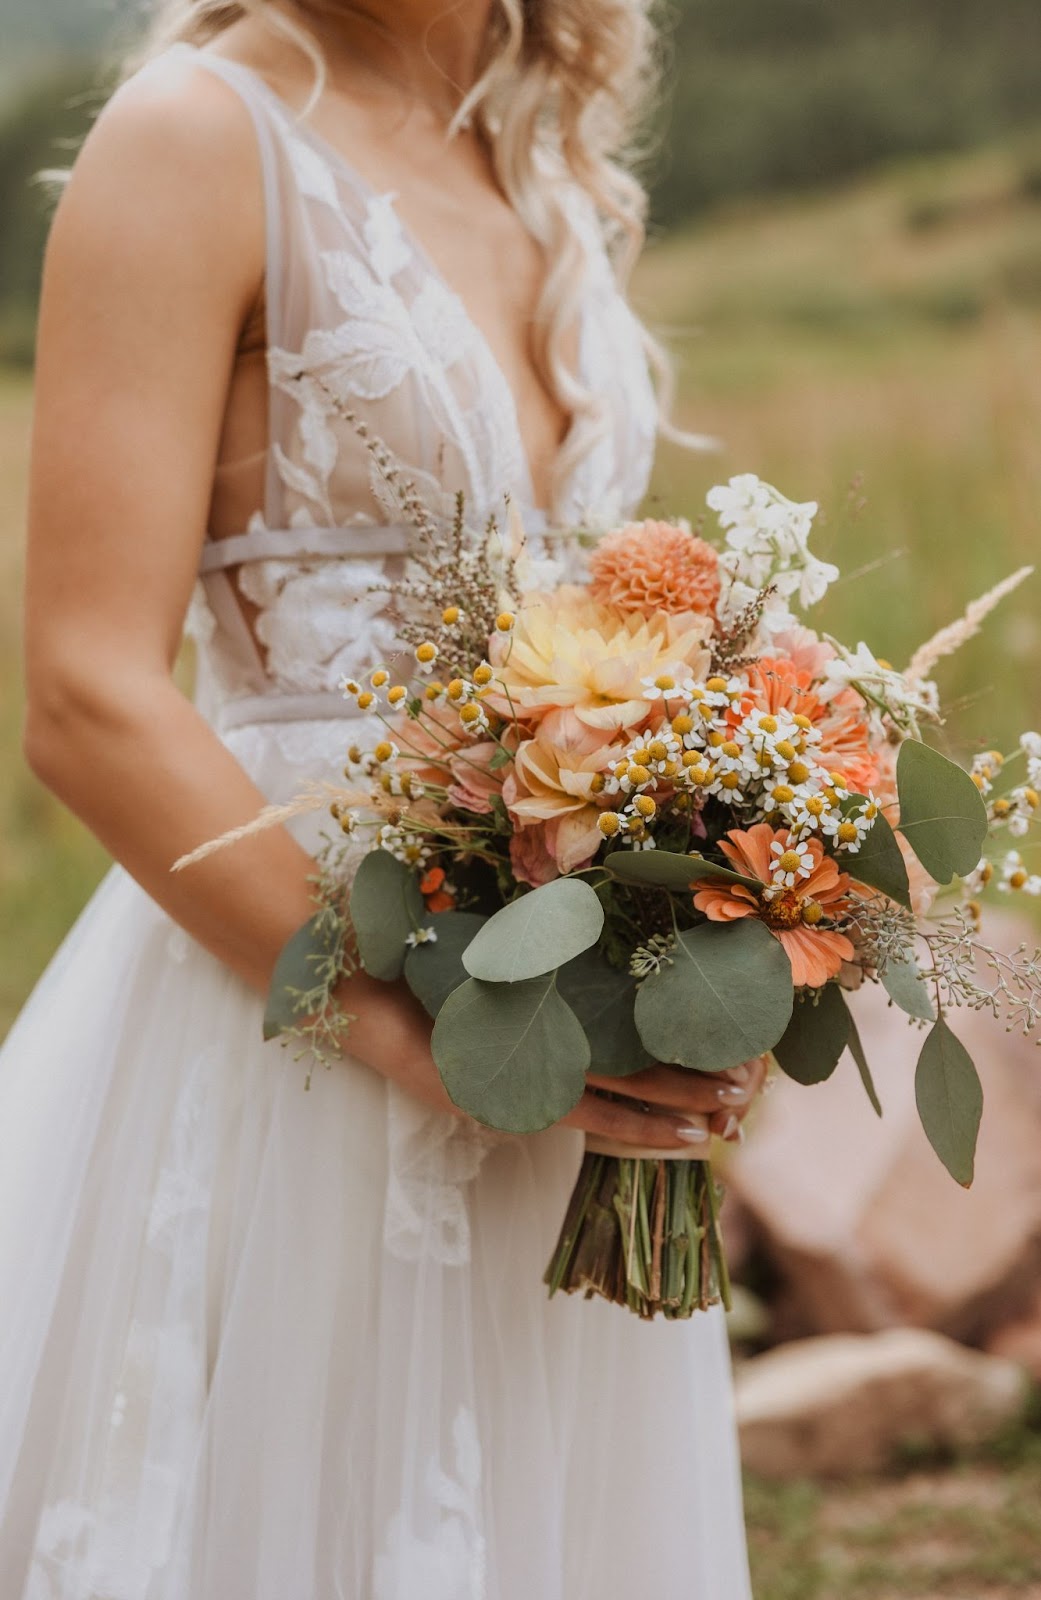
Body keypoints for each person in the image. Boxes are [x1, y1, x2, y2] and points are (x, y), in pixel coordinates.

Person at [0, 3, 762, 1594]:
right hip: (301, 997)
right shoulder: (197, 138)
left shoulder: (534, 156)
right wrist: (405, 1028)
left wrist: (717, 892)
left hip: (558, 1006)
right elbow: (85, 693)